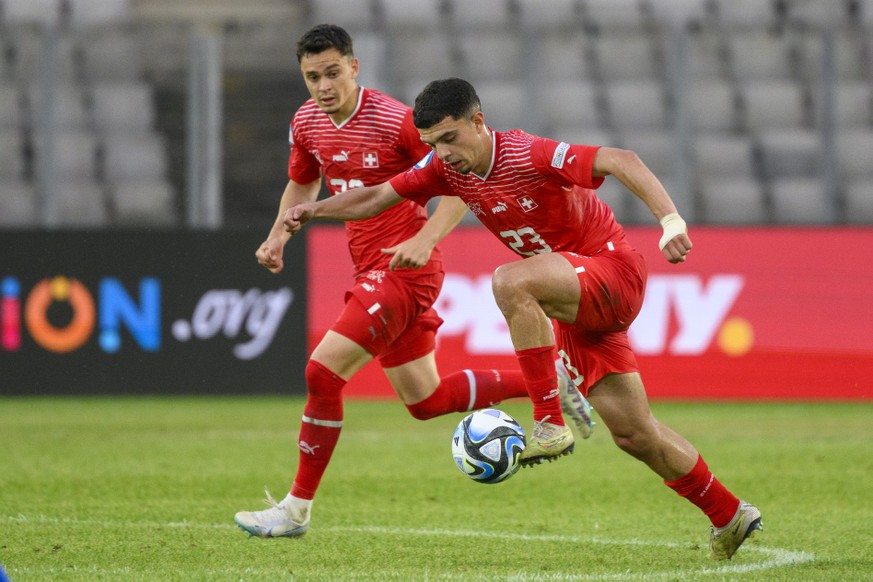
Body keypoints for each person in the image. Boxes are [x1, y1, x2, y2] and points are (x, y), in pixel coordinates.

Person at [282, 77, 763, 561]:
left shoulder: (526, 153)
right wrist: (311, 210)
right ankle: (729, 513)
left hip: (612, 271)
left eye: (450, 138)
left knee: (510, 281)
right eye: (432, 144)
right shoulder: (447, 169)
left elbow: (621, 160)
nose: (442, 152)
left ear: (478, 122)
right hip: (575, 306)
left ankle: (550, 421)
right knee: (634, 434)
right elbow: (375, 196)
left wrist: (670, 221)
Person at [234, 29, 595, 540]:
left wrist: (425, 238)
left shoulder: (396, 120)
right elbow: (303, 179)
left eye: (333, 73)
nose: (324, 86)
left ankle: (295, 510)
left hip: (403, 272)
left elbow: (459, 180)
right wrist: (278, 236)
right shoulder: (306, 123)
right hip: (372, 270)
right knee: (425, 400)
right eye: (313, 77)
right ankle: (552, 380)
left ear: (354, 67)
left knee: (322, 373)